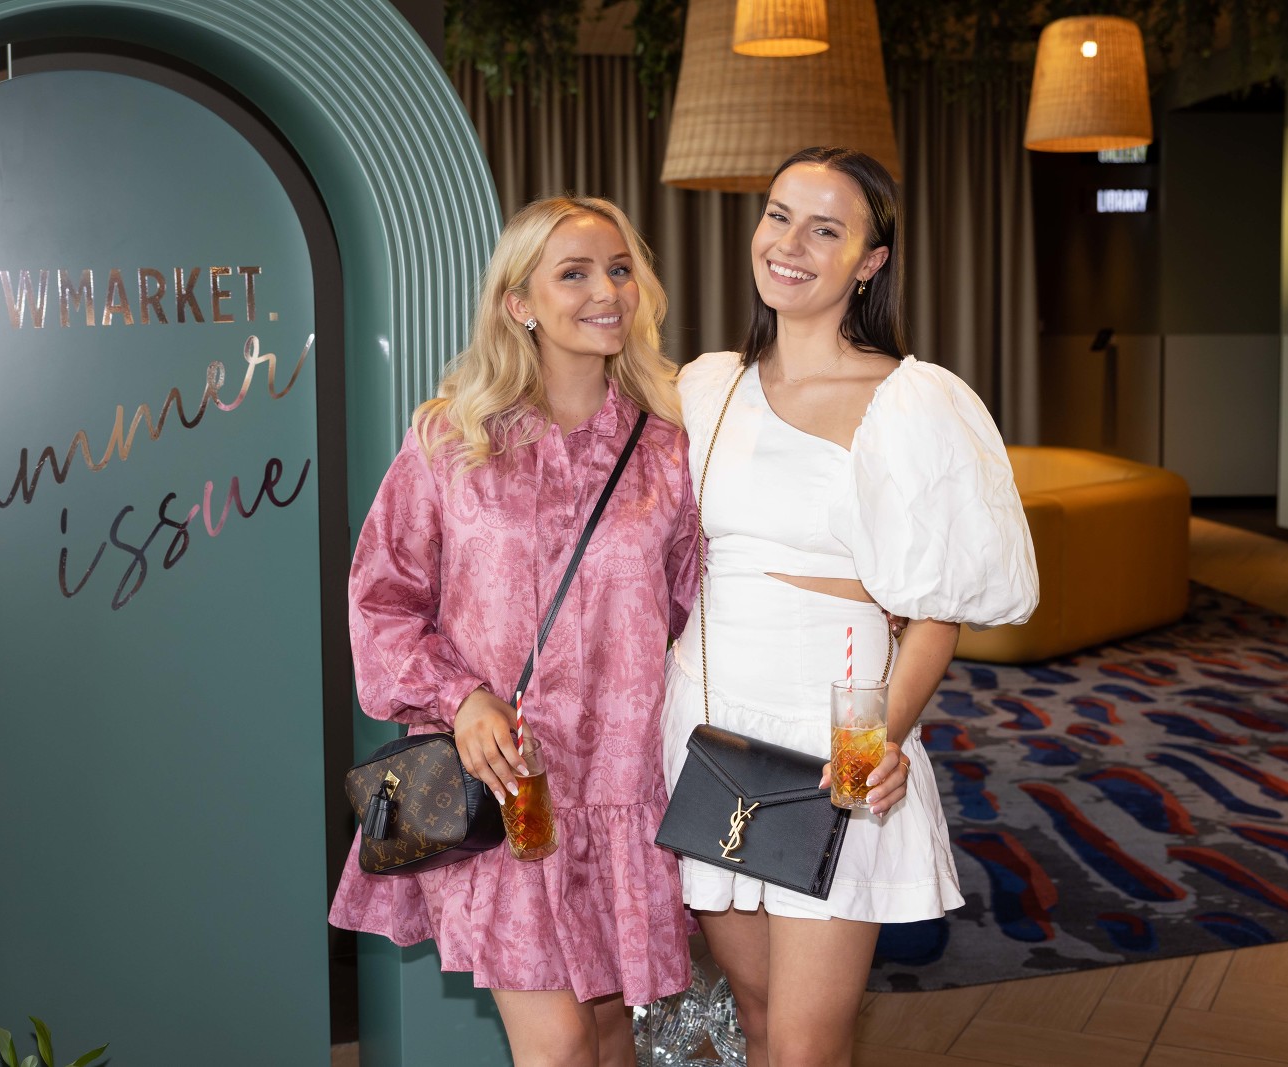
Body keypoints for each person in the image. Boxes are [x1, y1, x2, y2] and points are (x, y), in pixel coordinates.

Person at [662, 146, 1039, 1066]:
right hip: (704, 722)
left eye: (825, 229)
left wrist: (877, 751)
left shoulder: (911, 399)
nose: (789, 244)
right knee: (755, 1013)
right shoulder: (705, 384)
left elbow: (935, 613)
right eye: (779, 215)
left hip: (833, 732)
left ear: (870, 261)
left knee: (805, 1042)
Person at [331, 195, 701, 1067]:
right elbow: (381, 598)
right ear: (519, 302)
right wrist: (460, 697)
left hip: (622, 786)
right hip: (503, 785)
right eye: (574, 273)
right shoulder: (450, 438)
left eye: (619, 269)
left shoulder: (671, 449)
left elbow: (693, 603)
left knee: (608, 1033)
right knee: (562, 1043)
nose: (606, 290)